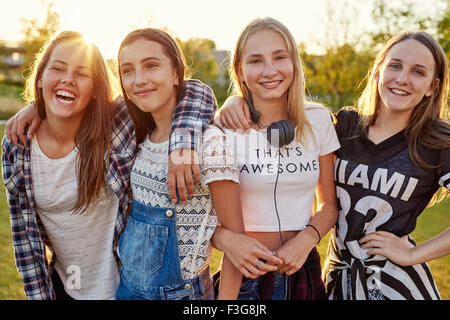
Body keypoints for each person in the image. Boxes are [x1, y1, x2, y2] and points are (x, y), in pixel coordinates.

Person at [218, 30, 449, 300]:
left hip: (396, 286)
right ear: (377, 73)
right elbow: (288, 114)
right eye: (394, 66)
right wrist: (237, 100)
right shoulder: (345, 126)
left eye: (418, 72)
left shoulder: (437, 142)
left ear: (432, 87)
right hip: (338, 281)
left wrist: (413, 254)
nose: (401, 78)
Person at [1, 31, 219, 300]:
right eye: (57, 69)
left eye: (82, 73)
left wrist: (182, 141)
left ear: (95, 89)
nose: (68, 78)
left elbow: (193, 91)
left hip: (129, 286)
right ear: (41, 75)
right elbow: (25, 240)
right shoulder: (18, 146)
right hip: (66, 289)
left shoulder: (115, 126)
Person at [114, 28, 247, 300]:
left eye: (151, 65)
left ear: (175, 73)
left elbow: (237, 244)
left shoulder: (209, 143)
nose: (139, 80)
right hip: (128, 288)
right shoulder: (138, 137)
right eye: (128, 70)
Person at [217, 17, 339, 300]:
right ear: (240, 70)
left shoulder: (318, 120)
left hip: (302, 268)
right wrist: (227, 241)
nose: (269, 70)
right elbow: (200, 217)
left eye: (280, 57)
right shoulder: (223, 129)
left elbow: (329, 205)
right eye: (256, 60)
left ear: (294, 63)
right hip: (245, 276)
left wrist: (306, 239)